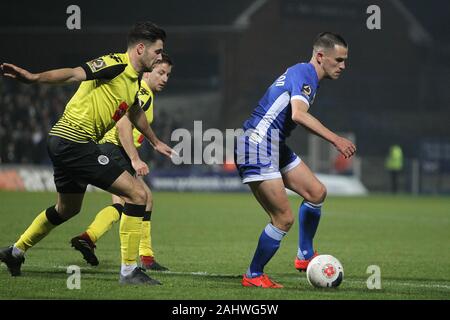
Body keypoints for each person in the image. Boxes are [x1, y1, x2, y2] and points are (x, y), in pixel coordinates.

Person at [0, 22, 175, 285]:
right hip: (74, 141)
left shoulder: (134, 80)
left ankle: (15, 251)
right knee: (138, 195)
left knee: (67, 209)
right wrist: (34, 78)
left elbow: (135, 111)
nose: (160, 57)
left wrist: (154, 140)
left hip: (66, 143)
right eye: (158, 51)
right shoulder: (115, 64)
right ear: (141, 48)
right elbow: (72, 74)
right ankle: (129, 271)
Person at [234, 32, 356, 288]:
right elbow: (299, 115)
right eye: (339, 60)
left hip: (273, 145)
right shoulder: (304, 73)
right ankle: (253, 274)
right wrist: (336, 139)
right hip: (257, 144)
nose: (343, 66)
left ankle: (304, 255)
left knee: (316, 192)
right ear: (321, 57)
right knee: (283, 218)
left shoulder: (307, 77)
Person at [70, 53, 173, 271]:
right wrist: (135, 159)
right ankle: (139, 260)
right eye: (161, 73)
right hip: (116, 149)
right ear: (147, 72)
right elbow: (123, 125)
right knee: (138, 199)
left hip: (112, 149)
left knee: (131, 202)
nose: (165, 78)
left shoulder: (145, 94)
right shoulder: (143, 93)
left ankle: (91, 238)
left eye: (168, 75)